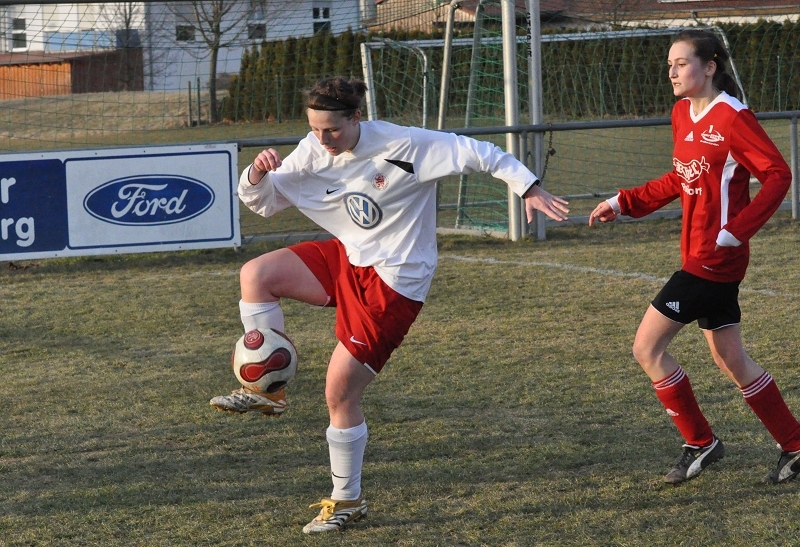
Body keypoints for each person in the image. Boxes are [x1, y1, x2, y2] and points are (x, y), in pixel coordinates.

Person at [209, 76, 570, 533]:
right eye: (314, 129)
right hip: (350, 257)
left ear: (357, 117)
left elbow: (482, 154)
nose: (322, 139)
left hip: (396, 280)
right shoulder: (315, 148)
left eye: (332, 130)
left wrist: (529, 187)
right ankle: (268, 391)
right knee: (256, 275)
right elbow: (263, 203)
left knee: (340, 394)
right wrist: (256, 174)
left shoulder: (405, 144)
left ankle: (348, 501)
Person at [589, 29, 800, 485]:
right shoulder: (682, 113)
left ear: (709, 67)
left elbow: (778, 175)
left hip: (713, 259)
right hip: (699, 253)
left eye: (681, 63)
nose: (672, 72)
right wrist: (625, 202)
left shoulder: (733, 118)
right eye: (670, 64)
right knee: (732, 360)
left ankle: (700, 442)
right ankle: (796, 445)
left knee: (647, 348)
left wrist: (735, 231)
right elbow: (681, 177)